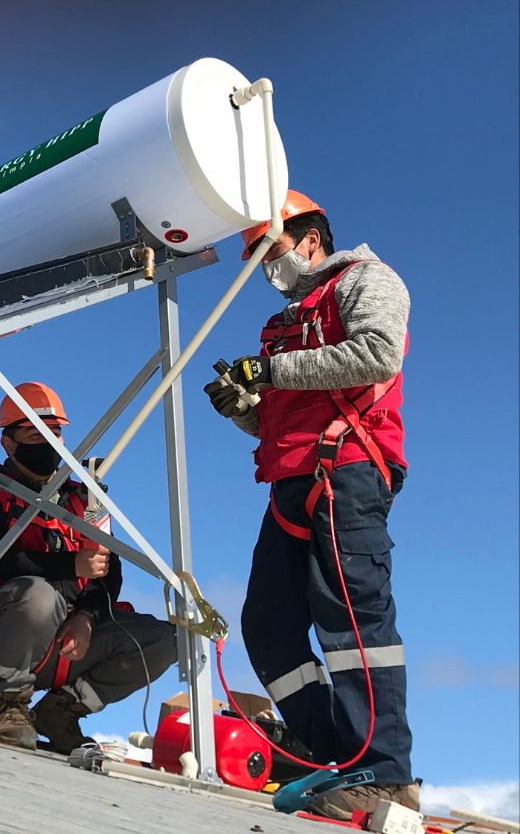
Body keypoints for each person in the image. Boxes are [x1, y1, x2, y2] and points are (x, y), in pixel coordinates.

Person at [204, 191, 417, 820]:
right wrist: (245, 408)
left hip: (347, 472)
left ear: (310, 237)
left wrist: (268, 374)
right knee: (267, 624)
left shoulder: (366, 280)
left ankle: (384, 772)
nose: (267, 267)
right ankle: (331, 757)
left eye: (270, 250)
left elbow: (380, 353)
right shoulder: (285, 324)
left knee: (352, 624)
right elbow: (287, 414)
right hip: (292, 483)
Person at [0, 382, 177, 753]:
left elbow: (109, 568)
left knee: (164, 639)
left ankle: (62, 710)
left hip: (68, 636)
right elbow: (1, 561)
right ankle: (10, 703)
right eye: (35, 433)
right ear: (8, 443)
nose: (48, 441)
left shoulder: (87, 499)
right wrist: (72, 563)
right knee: (38, 595)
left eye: (55, 432)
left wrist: (86, 616)